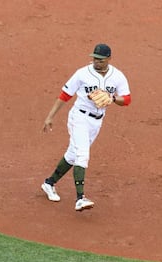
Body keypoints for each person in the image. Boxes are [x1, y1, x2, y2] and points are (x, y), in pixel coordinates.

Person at [41, 43, 131, 211]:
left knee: (73, 154)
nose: (96, 62)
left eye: (100, 60)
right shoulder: (82, 74)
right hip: (79, 118)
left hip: (97, 121)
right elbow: (65, 95)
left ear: (109, 59)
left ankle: (49, 183)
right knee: (82, 155)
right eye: (95, 59)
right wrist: (50, 116)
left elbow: (126, 99)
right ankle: (80, 198)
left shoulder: (117, 76)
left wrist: (111, 98)